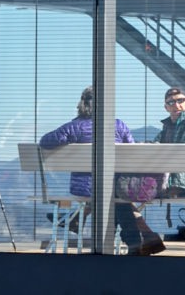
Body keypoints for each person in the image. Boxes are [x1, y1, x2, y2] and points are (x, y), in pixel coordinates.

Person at [39, 87, 165, 256]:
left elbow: (45, 141)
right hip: (116, 186)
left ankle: (80, 223)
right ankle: (138, 242)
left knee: (113, 199)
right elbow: (133, 151)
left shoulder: (73, 127)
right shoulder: (118, 125)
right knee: (117, 198)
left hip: (85, 188)